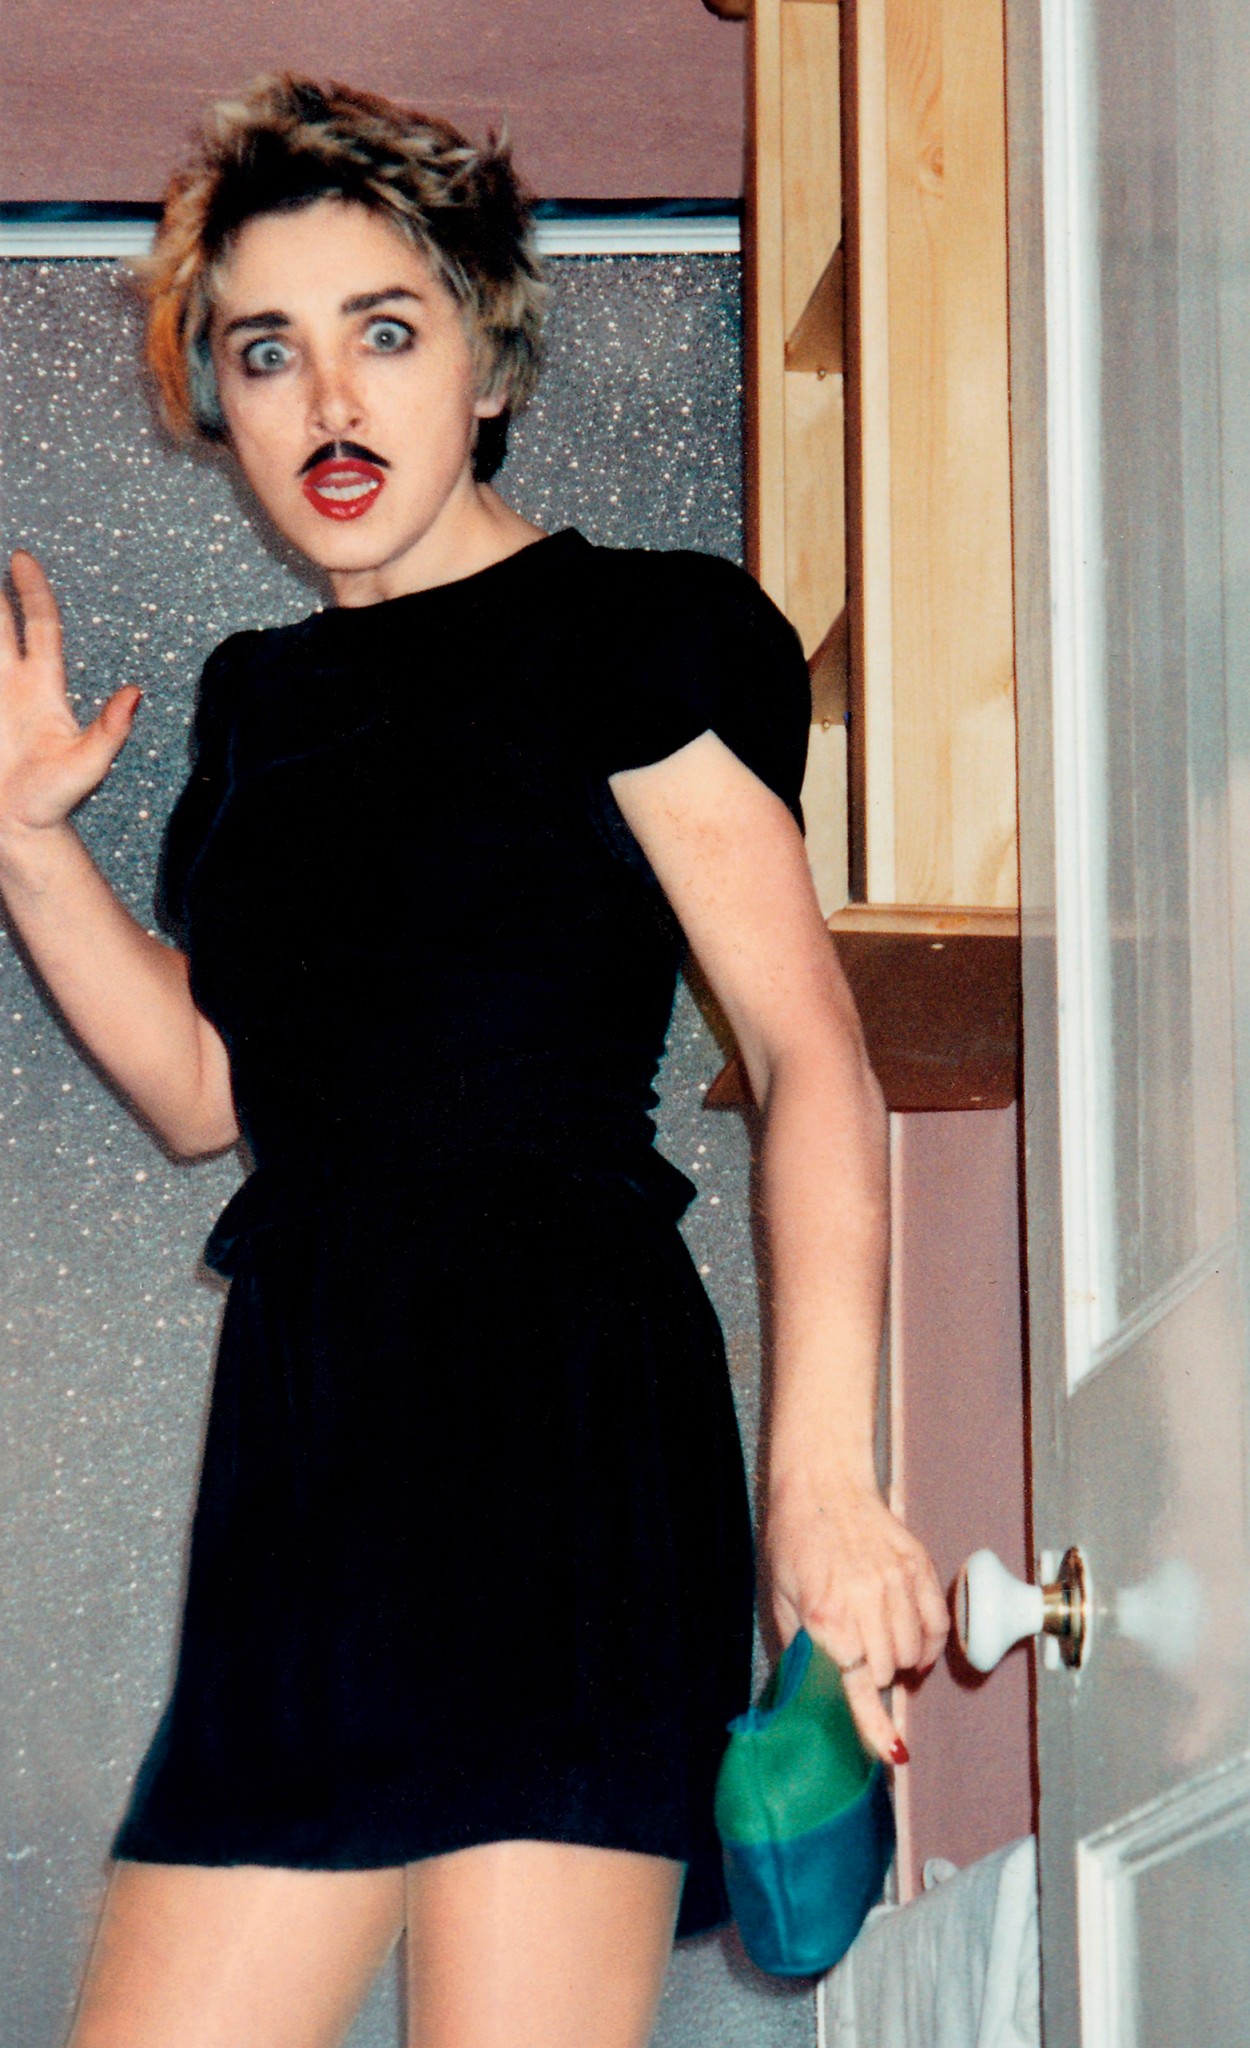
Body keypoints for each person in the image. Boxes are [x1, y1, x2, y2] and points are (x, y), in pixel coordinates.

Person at [0, 74, 948, 2048]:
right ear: (218, 399)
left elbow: (810, 1056)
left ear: (488, 359)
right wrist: (24, 843)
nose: (329, 402)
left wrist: (824, 1484)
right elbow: (207, 1094)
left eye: (386, 329)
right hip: (306, 1447)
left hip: (556, 1414)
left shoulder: (633, 633)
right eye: (267, 350)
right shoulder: (260, 708)